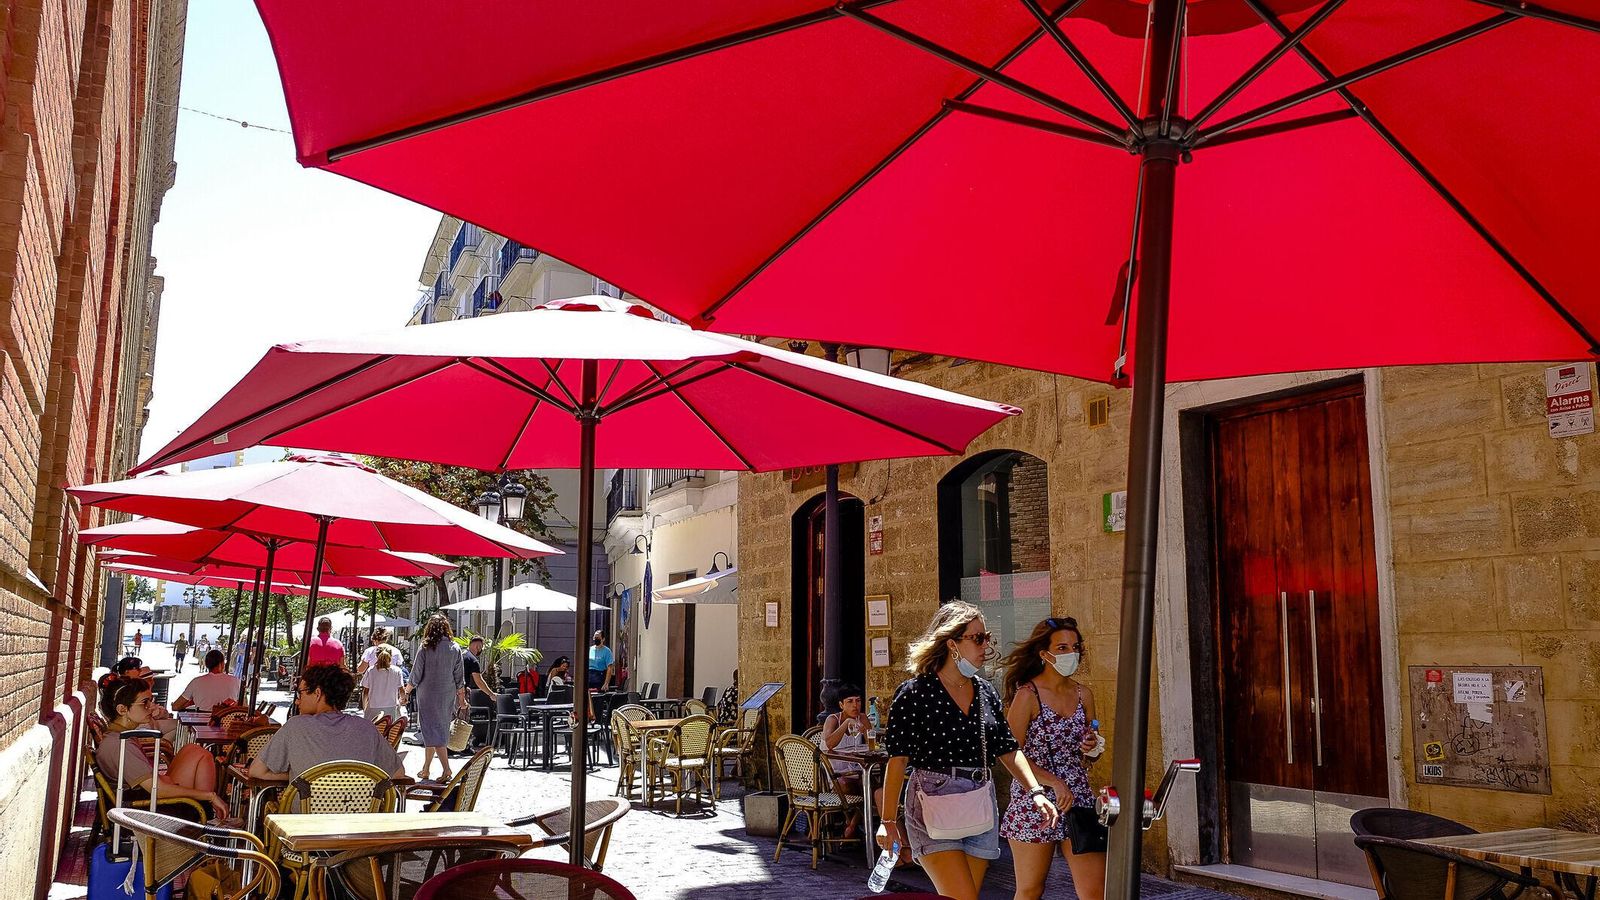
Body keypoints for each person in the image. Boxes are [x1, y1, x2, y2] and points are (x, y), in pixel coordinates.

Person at [878, 601, 1058, 900]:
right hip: (932, 799)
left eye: (987, 637)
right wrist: (887, 822)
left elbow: (1008, 748)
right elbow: (897, 760)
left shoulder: (986, 691)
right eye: (978, 638)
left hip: (979, 799)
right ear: (952, 644)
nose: (986, 645)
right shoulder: (915, 692)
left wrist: (1036, 792)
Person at [1000, 617, 1107, 900]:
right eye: (1062, 648)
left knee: (1096, 891)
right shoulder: (1027, 695)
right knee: (1030, 890)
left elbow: (1091, 753)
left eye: (1075, 647)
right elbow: (1010, 753)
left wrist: (1092, 747)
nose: (1071, 653)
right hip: (1033, 798)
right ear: (1044, 654)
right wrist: (1052, 782)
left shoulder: (1084, 694)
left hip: (1078, 798)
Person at [96, 676, 229, 819]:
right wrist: (210, 796)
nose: (151, 707)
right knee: (201, 755)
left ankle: (205, 813)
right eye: (144, 703)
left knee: (193, 750)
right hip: (145, 811)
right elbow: (158, 790)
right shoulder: (120, 745)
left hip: (144, 800)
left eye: (151, 701)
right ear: (122, 709)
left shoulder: (119, 737)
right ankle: (205, 813)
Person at [249, 664, 403, 783]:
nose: (297, 701)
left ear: (317, 693)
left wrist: (297, 776)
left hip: (305, 814)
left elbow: (256, 771)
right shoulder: (367, 728)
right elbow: (398, 773)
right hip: (358, 814)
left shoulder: (295, 726)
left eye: (300, 693)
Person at [410, 614, 466, 780]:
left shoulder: (425, 647)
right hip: (446, 695)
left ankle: (446, 769)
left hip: (427, 695)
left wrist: (406, 690)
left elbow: (416, 673)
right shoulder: (454, 648)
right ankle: (426, 769)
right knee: (438, 729)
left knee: (432, 731)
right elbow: (459, 676)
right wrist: (461, 698)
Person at [820, 683, 870, 836]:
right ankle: (853, 826)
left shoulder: (862, 717)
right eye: (850, 701)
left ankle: (851, 827)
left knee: (872, 787)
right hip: (834, 774)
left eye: (858, 701)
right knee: (857, 787)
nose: (855, 705)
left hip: (855, 770)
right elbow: (829, 743)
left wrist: (866, 729)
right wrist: (847, 723)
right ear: (841, 705)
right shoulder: (833, 719)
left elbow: (872, 744)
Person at [174, 650, 244, 711]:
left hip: (200, 721)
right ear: (222, 664)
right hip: (227, 720)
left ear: (206, 664)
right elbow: (244, 706)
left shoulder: (196, 682)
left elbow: (175, 706)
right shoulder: (236, 681)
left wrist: (189, 703)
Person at [361, 648, 407, 723]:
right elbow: (401, 690)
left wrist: (364, 707)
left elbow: (365, 692)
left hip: (373, 707)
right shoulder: (397, 671)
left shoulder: (371, 670)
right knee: (389, 728)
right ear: (390, 656)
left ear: (376, 656)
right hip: (391, 706)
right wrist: (403, 699)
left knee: (372, 728)